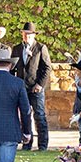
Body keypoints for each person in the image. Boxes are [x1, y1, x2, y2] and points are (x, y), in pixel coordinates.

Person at [11, 21, 51, 151]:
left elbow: (47, 68)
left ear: (34, 35)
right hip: (21, 88)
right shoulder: (17, 49)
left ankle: (43, 145)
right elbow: (12, 68)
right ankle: (27, 143)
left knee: (39, 115)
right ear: (22, 34)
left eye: (30, 34)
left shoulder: (40, 48)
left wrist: (40, 84)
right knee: (25, 115)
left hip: (36, 88)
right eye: (25, 33)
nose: (27, 36)